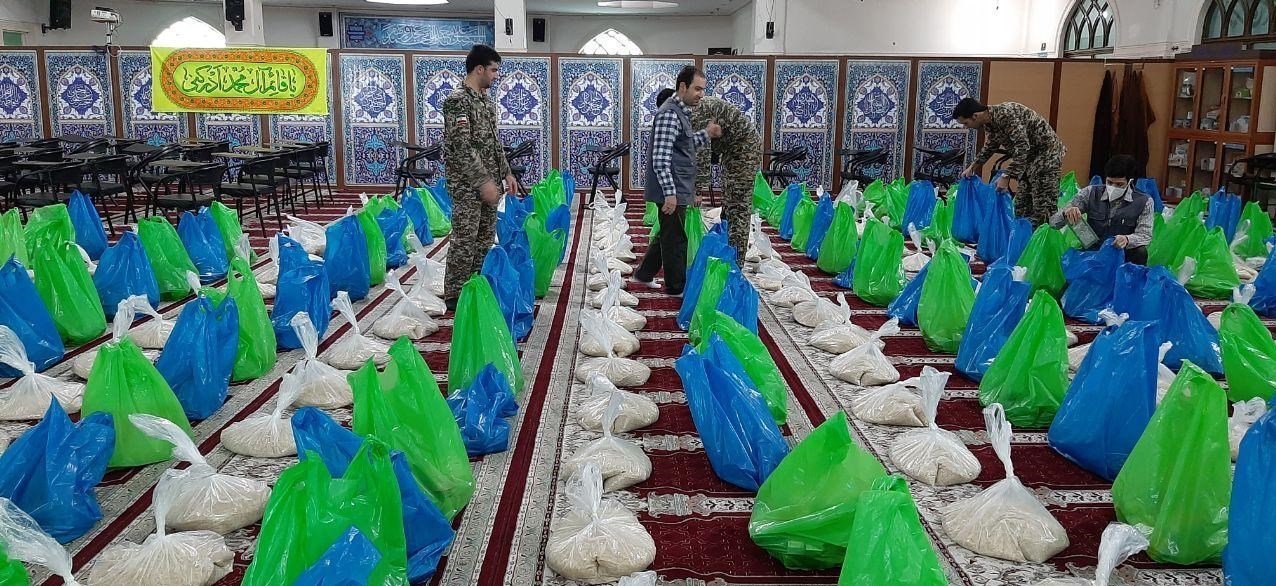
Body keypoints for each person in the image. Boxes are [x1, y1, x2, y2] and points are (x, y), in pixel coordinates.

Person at [632, 66, 721, 296]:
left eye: (703, 89)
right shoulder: (670, 114)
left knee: (669, 232)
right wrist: (669, 193)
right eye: (697, 89)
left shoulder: (680, 113)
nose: (701, 94)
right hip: (672, 187)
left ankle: (644, 273)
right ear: (683, 87)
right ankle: (676, 287)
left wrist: (707, 133)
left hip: (678, 184)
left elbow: (684, 146)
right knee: (675, 239)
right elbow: (660, 158)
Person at [441, 44, 518, 309]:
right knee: (465, 239)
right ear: (479, 69)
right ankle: (455, 294)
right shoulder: (457, 101)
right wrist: (483, 181)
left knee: (484, 239)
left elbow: (493, 143)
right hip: (467, 186)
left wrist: (506, 172)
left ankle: (475, 287)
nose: (496, 76)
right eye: (494, 70)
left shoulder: (485, 102)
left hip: (490, 184)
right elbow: (462, 147)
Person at [954, 98, 1065, 227]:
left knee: (1043, 209)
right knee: (1021, 208)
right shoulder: (989, 122)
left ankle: (1043, 239)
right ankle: (1024, 238)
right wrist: (973, 167)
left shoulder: (1006, 114)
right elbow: (991, 145)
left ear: (975, 116)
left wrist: (1006, 176)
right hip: (1027, 161)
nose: (966, 127)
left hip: (1046, 158)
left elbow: (1023, 146)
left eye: (966, 123)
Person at [690, 94, 763, 263]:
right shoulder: (692, 108)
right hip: (732, 152)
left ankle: (735, 263)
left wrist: (697, 190)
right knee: (729, 205)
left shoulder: (697, 111)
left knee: (738, 207)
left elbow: (702, 152)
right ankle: (726, 251)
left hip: (744, 152)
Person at [1048, 154, 1153, 265]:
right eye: (1109, 182)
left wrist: (1127, 239)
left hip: (1122, 253)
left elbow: (1145, 235)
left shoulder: (1144, 201)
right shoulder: (1090, 193)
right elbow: (1053, 222)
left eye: (1119, 184)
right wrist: (1066, 213)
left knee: (1141, 252)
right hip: (1093, 250)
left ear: (1130, 182)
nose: (1113, 187)